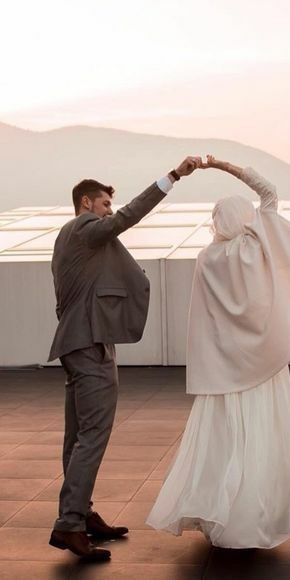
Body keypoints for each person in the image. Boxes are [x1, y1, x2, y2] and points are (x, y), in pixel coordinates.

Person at [147, 156, 290, 549]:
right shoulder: (260, 247)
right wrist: (221, 164)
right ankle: (254, 519)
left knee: (223, 443)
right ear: (244, 218)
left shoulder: (207, 258)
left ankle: (221, 516)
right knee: (262, 441)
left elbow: (205, 319)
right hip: (265, 367)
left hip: (223, 372)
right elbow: (269, 193)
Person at [48, 156, 202, 560]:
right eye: (103, 205)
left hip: (75, 343)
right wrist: (172, 177)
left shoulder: (66, 236)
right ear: (86, 203)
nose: (108, 213)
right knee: (92, 437)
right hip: (89, 345)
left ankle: (81, 514)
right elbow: (127, 218)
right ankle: (69, 524)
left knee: (77, 438)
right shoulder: (84, 229)